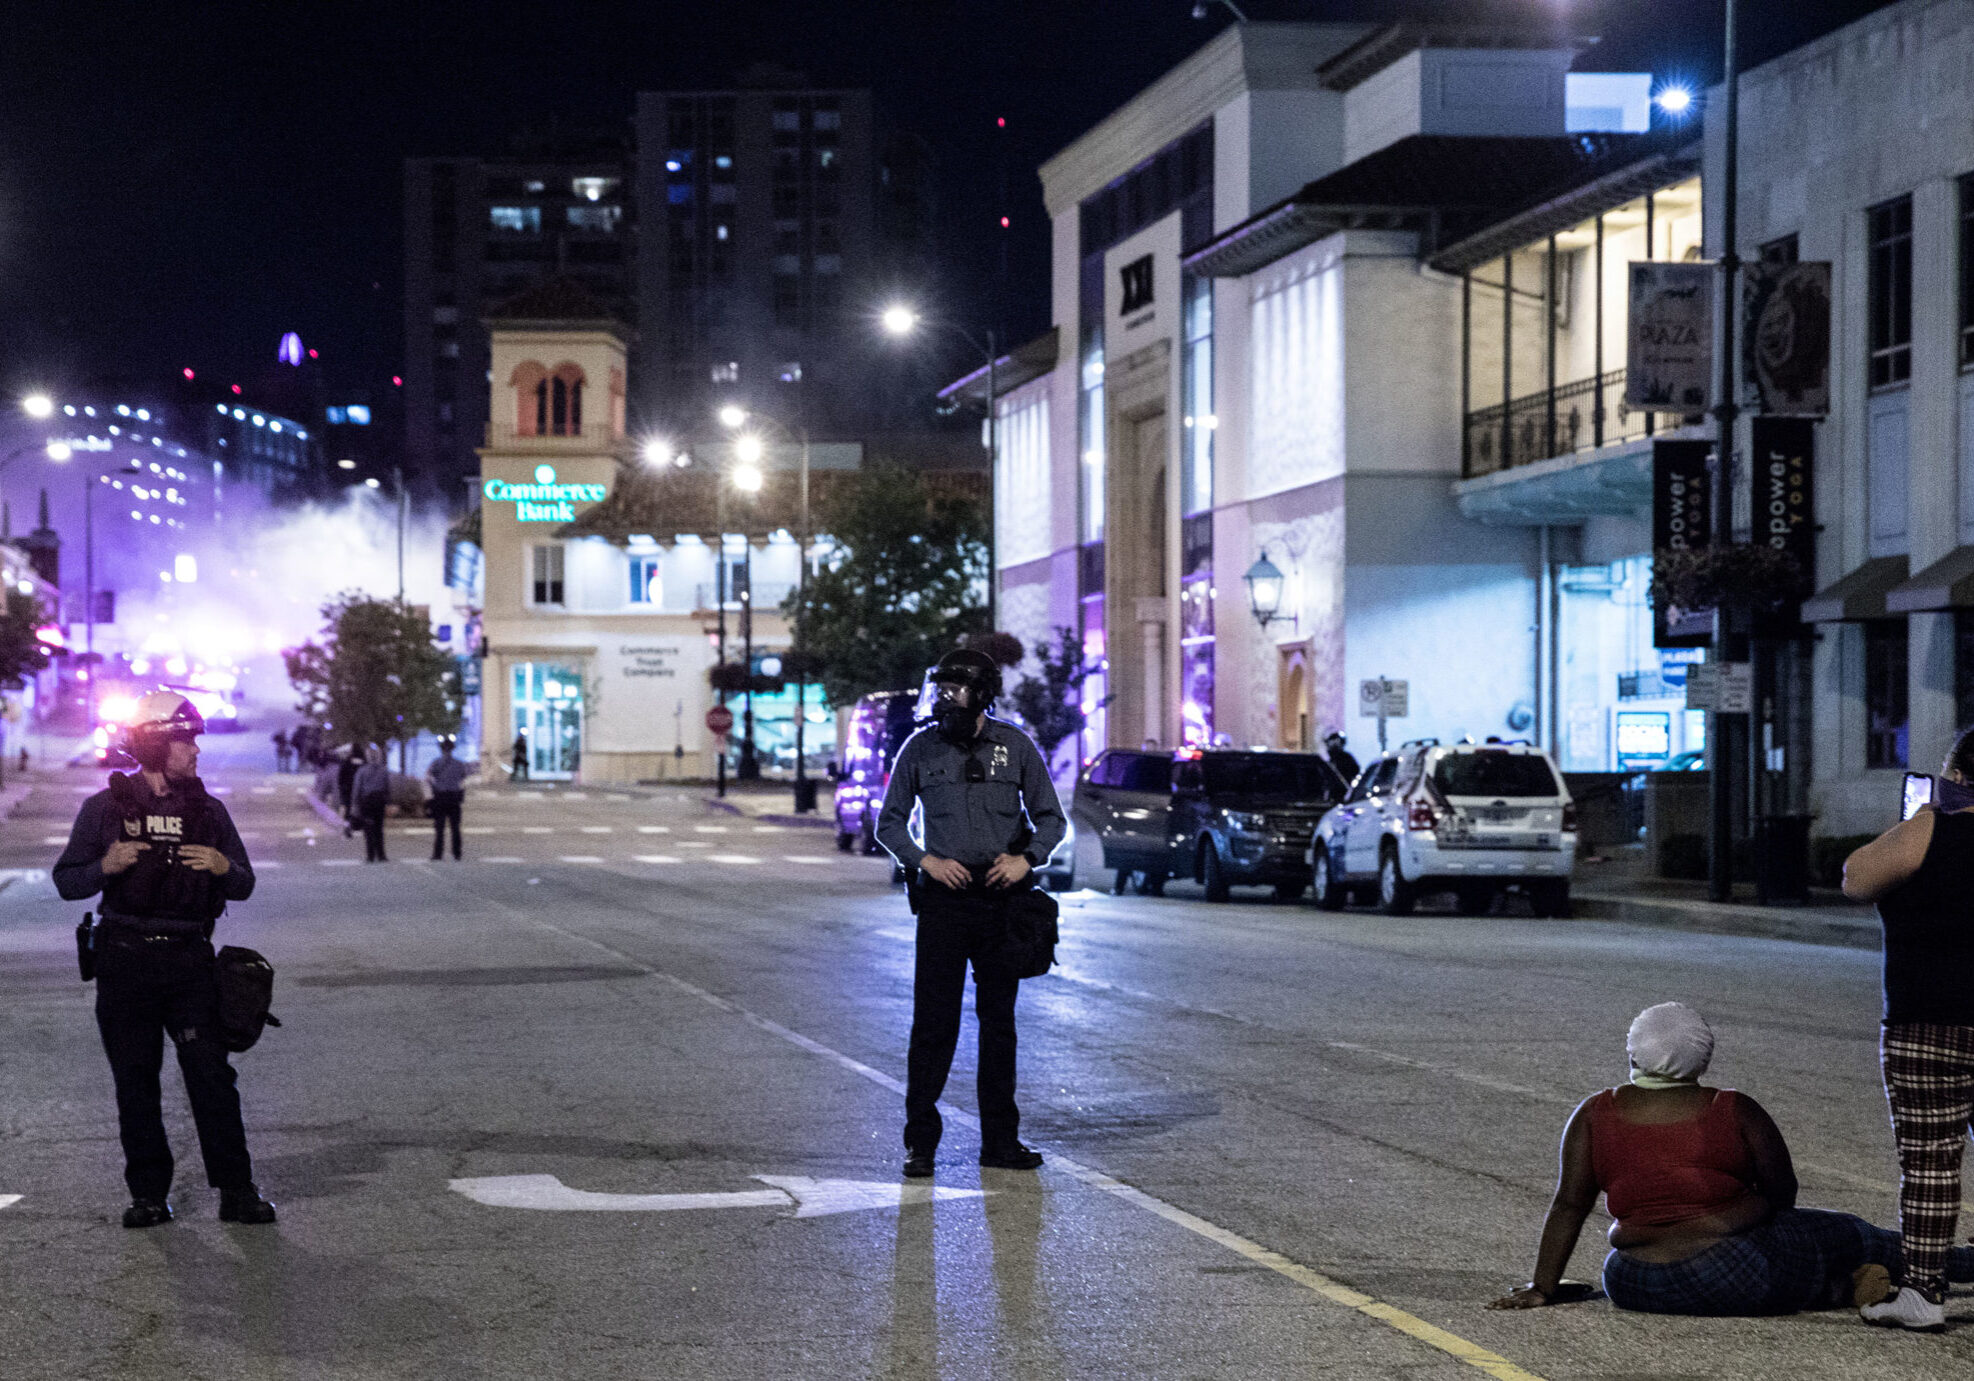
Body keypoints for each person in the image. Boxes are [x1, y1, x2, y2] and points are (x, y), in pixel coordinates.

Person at [1489, 1002, 1973, 1318]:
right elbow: (1783, 1196)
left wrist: (1543, 1285)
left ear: (1634, 1055)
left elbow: (1569, 1206)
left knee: (1774, 1260)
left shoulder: (1594, 1113)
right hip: (1734, 1269)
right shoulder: (1733, 1108)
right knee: (1844, 1233)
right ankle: (1934, 1269)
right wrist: (1744, 1211)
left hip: (1635, 1280)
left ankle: (1841, 1291)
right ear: (1703, 1060)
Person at [51, 690, 275, 1228]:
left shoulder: (208, 811)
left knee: (211, 1078)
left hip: (189, 962)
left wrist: (223, 865)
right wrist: (105, 866)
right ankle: (149, 1195)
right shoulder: (103, 809)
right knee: (136, 1081)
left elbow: (243, 884)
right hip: (124, 961)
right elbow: (67, 881)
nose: (196, 750)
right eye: (185, 739)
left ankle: (237, 1191)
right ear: (155, 745)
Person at [877, 647, 1066, 1180]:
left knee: (998, 1025)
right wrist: (925, 861)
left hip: (999, 900)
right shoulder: (919, 749)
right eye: (940, 689)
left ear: (983, 693)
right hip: (944, 903)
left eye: (955, 689)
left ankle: (1000, 1142)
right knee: (933, 1025)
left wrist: (1025, 859)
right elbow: (888, 824)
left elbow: (1052, 819)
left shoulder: (1016, 747)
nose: (944, 699)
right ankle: (921, 1146)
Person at [1841, 725, 1974, 1331]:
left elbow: (1856, 877)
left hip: (1926, 1028)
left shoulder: (1930, 831)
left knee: (1929, 1165)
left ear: (1957, 776)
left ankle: (1922, 1293)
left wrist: (1926, 814)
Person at [425, 738, 471, 861]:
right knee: (455, 828)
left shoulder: (436, 763)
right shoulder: (459, 764)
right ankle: (457, 853)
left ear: (441, 749)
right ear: (452, 749)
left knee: (439, 829)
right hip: (454, 797)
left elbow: (429, 777)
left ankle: (437, 854)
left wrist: (434, 788)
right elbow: (463, 779)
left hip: (440, 797)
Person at [352, 745, 391, 863]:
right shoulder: (384, 770)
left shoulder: (362, 771)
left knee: (368, 829)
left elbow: (357, 788)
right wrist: (388, 802)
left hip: (367, 802)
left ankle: (370, 856)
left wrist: (355, 805)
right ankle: (381, 855)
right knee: (379, 829)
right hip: (379, 801)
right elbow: (387, 787)